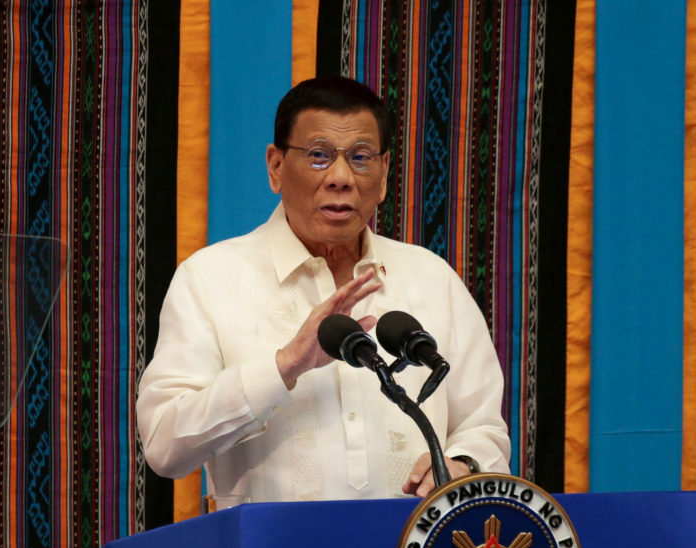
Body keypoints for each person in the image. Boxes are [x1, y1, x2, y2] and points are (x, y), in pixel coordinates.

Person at [137, 76, 510, 505]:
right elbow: (165, 445)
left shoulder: (431, 277)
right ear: (276, 166)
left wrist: (463, 464)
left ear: (385, 173)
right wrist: (283, 367)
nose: (340, 177)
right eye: (318, 156)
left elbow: (484, 429)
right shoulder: (210, 278)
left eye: (361, 157)